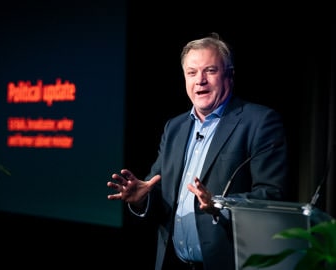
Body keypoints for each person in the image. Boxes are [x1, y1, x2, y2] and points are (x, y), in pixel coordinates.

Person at [106, 32, 289, 270]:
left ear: (229, 76)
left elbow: (272, 195)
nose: (200, 80)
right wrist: (142, 199)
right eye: (192, 73)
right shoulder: (175, 127)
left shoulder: (259, 122)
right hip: (174, 262)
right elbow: (158, 190)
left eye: (210, 71)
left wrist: (219, 205)